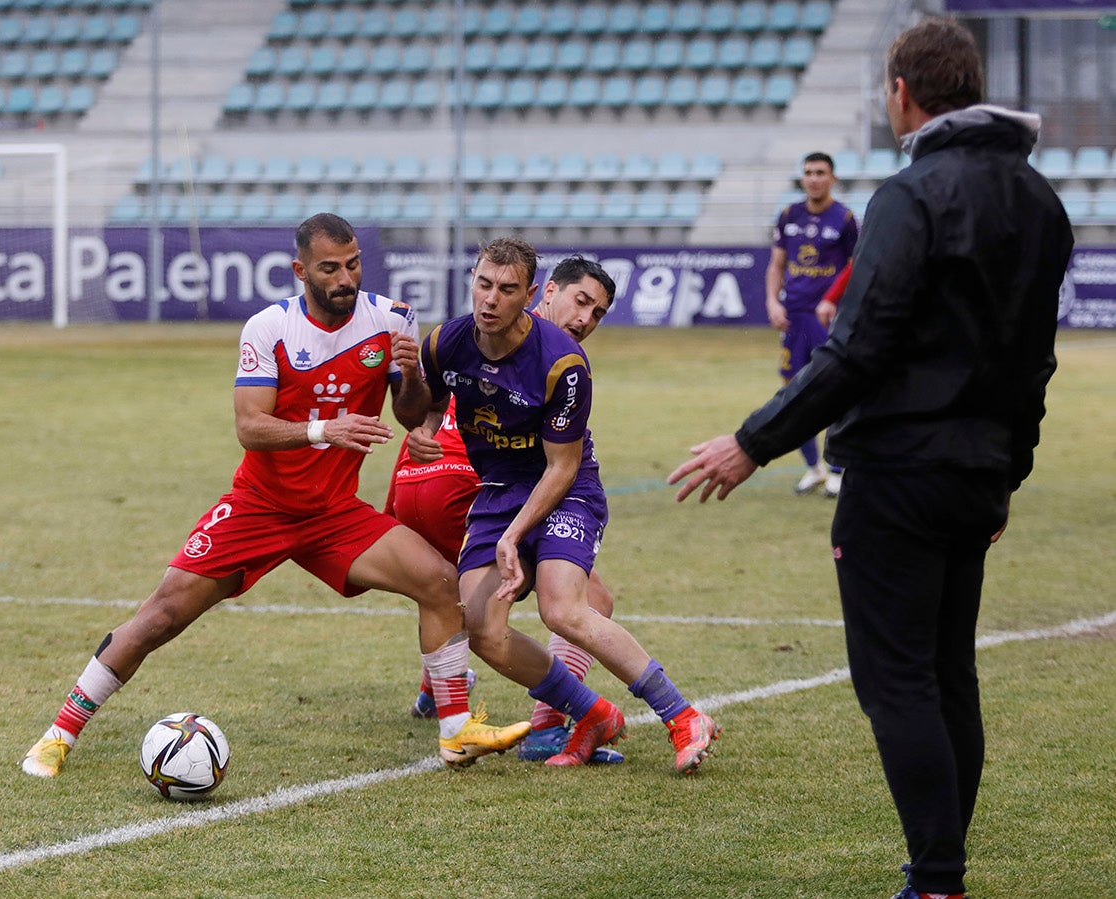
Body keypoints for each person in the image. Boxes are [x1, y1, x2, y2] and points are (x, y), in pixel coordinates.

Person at [667, 18, 1072, 899]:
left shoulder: (910, 194)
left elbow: (856, 350)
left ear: (902, 94)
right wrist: (1008, 475)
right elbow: (1035, 362)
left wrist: (751, 444)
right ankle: (937, 872)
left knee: (897, 682)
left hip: (900, 473)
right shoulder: (1042, 201)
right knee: (947, 670)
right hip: (977, 474)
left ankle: (936, 880)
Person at [21, 214, 531, 779]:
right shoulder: (269, 328)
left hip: (334, 512)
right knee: (162, 615)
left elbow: (408, 414)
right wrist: (324, 430)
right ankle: (58, 734)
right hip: (260, 506)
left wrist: (410, 379)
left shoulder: (392, 318)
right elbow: (249, 426)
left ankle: (456, 733)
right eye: (330, 268)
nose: (346, 278)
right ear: (300, 270)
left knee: (439, 582)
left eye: (354, 263)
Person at [412, 237, 721, 773]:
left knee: (564, 607)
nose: (489, 299)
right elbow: (429, 406)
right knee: (482, 626)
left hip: (565, 489)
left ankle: (682, 715)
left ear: (527, 293)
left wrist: (513, 537)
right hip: (497, 491)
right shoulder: (446, 343)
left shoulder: (564, 364)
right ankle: (588, 713)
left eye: (505, 289)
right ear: (547, 293)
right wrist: (422, 425)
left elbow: (562, 467)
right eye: (483, 284)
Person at [390, 255, 624, 763]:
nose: (584, 319)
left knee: (447, 593)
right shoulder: (539, 355)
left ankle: (438, 687)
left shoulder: (475, 338)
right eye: (579, 301)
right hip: (468, 484)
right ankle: (551, 723)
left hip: (413, 482)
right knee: (587, 600)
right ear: (544, 293)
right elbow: (550, 462)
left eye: (597, 313)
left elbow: (425, 406)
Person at [765, 151, 858, 498]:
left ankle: (837, 469)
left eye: (821, 172)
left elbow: (855, 266)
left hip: (828, 318)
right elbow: (776, 265)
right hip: (795, 317)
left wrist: (832, 300)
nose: (814, 178)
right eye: (808, 172)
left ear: (832, 178)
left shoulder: (845, 219)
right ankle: (813, 468)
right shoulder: (789, 215)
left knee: (834, 389)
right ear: (802, 178)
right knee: (794, 392)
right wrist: (773, 301)